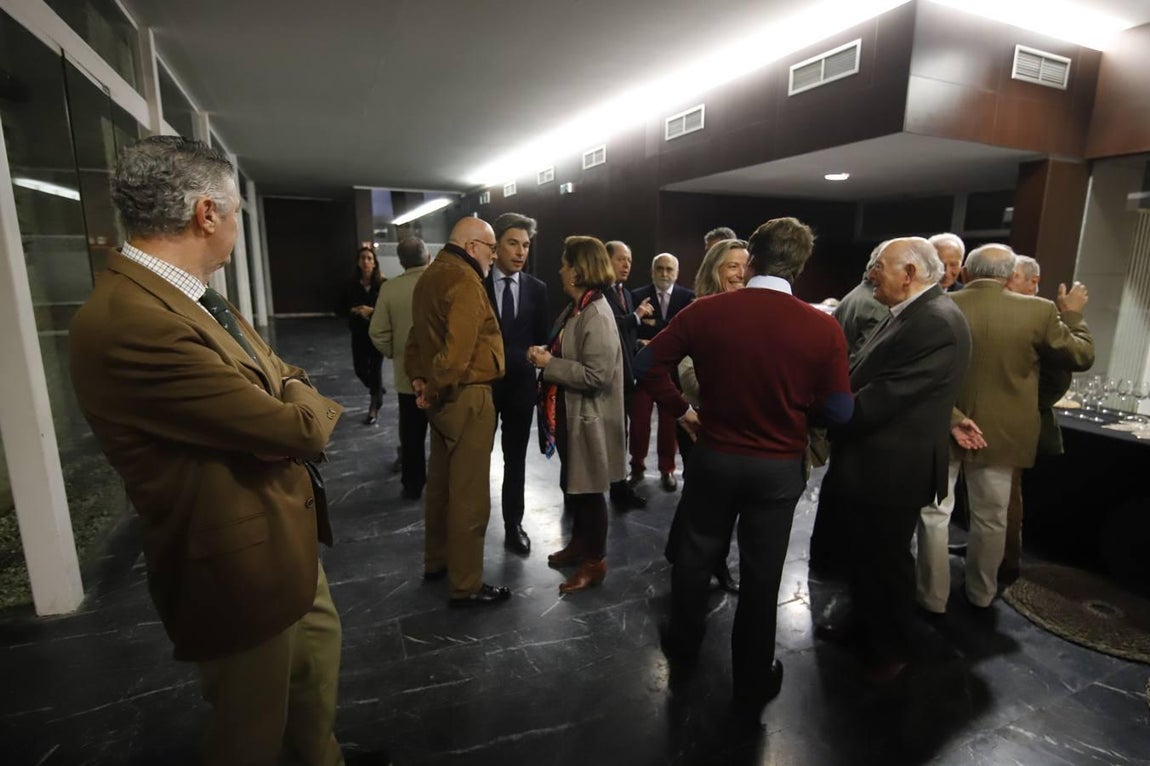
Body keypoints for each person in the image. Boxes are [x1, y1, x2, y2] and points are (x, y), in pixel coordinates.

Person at [69, 136, 349, 764]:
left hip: (280, 537)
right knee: (252, 728)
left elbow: (283, 369)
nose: (236, 229)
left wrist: (290, 392)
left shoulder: (195, 295)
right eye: (235, 214)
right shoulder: (132, 320)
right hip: (234, 563)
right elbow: (300, 429)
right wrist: (298, 401)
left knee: (310, 684)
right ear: (205, 214)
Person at [640, 217, 853, 724]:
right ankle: (753, 676)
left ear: (751, 260)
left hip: (715, 455)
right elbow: (842, 411)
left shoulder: (707, 311)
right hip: (777, 467)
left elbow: (646, 363)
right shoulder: (823, 327)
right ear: (800, 267)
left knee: (695, 555)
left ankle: (684, 644)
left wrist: (682, 410)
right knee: (762, 574)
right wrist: (801, 408)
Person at [819, 237, 972, 681]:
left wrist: (823, 409)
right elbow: (861, 371)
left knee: (886, 564)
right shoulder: (909, 312)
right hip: (874, 462)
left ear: (908, 274)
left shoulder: (937, 322)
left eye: (878, 266)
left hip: (892, 466)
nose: (870, 274)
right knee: (865, 558)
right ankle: (863, 629)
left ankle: (891, 650)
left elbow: (884, 398)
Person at [916, 244, 1094, 614]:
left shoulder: (939, 306)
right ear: (1011, 275)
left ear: (965, 272)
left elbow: (922, 374)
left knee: (935, 514)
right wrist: (1073, 315)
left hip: (942, 425)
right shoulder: (1039, 311)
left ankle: (932, 597)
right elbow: (1080, 356)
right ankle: (982, 592)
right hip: (1004, 432)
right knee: (992, 517)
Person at [404, 216, 511, 607]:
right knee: (470, 497)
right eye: (491, 247)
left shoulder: (430, 277)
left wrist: (419, 379)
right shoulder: (466, 280)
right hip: (467, 397)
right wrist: (434, 386)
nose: (494, 255)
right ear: (471, 247)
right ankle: (466, 584)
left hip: (443, 401)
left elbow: (415, 338)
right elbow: (457, 351)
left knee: (441, 489)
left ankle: (437, 561)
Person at [529, 236, 626, 593]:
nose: (560, 269)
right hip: (573, 414)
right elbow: (567, 352)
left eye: (565, 263)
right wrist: (548, 353)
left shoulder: (596, 314)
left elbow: (597, 376)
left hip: (590, 419)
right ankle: (580, 545)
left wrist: (549, 364)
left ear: (578, 270)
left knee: (590, 492)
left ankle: (594, 561)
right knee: (576, 487)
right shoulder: (577, 308)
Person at [664, 237, 750, 594]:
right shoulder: (698, 309)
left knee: (710, 499)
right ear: (714, 269)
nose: (740, 274)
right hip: (698, 421)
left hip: (736, 422)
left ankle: (684, 552)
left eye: (746, 267)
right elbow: (687, 377)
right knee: (709, 500)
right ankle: (706, 565)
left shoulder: (752, 310)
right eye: (732, 266)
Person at [485, 213, 549, 555]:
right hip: (483, 387)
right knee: (478, 460)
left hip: (521, 389)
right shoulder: (477, 285)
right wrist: (519, 353)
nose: (521, 251)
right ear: (495, 245)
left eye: (526, 245)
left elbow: (541, 340)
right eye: (513, 243)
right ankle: (473, 525)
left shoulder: (537, 289)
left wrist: (532, 355)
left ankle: (514, 524)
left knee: (515, 460)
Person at [370, 237, 430, 500]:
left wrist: (396, 354)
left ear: (401, 261)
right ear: (427, 257)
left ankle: (413, 483)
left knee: (412, 433)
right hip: (444, 374)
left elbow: (378, 332)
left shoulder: (390, 289)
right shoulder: (441, 285)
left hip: (408, 378)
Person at [631, 253, 695, 491]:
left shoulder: (688, 297)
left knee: (670, 423)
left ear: (677, 273)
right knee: (639, 421)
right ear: (652, 270)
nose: (665, 273)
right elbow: (631, 332)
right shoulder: (637, 296)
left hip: (674, 372)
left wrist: (652, 326)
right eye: (660, 268)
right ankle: (636, 467)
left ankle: (667, 469)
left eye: (670, 269)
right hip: (644, 370)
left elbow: (684, 334)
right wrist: (643, 338)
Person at [604, 240, 653, 510]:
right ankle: (612, 487)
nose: (626, 265)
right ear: (606, 260)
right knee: (611, 432)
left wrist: (638, 344)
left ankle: (619, 485)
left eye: (629, 260)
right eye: (620, 259)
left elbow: (626, 335)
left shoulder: (628, 293)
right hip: (608, 375)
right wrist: (637, 316)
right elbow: (610, 326)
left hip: (627, 374)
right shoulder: (599, 293)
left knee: (622, 432)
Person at [343, 246, 386, 424]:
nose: (366, 261)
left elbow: (387, 310)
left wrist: (372, 311)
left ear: (374, 263)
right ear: (358, 262)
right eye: (363, 258)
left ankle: (374, 407)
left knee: (375, 371)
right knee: (360, 370)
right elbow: (338, 307)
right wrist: (353, 310)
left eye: (369, 258)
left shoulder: (383, 284)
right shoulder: (351, 285)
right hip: (359, 334)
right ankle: (377, 390)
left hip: (377, 334)